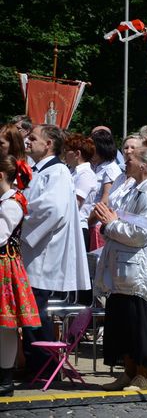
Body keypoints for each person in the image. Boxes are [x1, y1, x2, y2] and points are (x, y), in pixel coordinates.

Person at [94, 147, 147, 391]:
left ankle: (145, 375)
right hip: (122, 267)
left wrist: (111, 224)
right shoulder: (133, 190)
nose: (125, 163)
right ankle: (129, 371)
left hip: (138, 268)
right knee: (121, 322)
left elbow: (141, 234)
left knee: (137, 323)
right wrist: (111, 223)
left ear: (143, 166)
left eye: (130, 160)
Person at [21, 124, 90, 378]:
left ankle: (44, 367)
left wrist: (19, 214)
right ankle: (34, 365)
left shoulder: (58, 172)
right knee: (30, 312)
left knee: (35, 312)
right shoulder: (39, 171)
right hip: (33, 250)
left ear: (48, 144)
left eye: (33, 138)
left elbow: (52, 209)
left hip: (42, 252)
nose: (28, 142)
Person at [0, 155, 39, 397]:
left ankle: (5, 377)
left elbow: (1, 235)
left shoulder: (12, 203)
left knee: (6, 325)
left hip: (4, 266)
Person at [64, 134, 98, 250]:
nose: (64, 153)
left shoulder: (86, 174)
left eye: (67, 150)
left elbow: (75, 203)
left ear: (77, 154)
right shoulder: (72, 171)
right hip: (69, 227)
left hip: (77, 228)